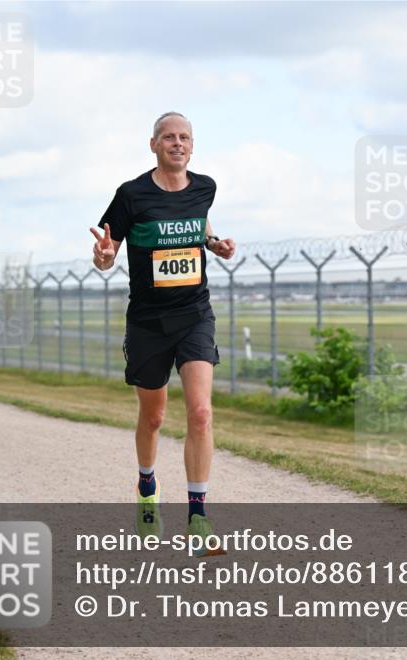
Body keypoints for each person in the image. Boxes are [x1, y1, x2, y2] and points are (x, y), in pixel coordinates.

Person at [89, 111, 235, 557]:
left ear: (193, 145)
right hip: (149, 322)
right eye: (169, 137)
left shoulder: (205, 187)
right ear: (153, 144)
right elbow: (108, 250)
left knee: (201, 413)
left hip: (195, 314)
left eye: (185, 137)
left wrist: (215, 245)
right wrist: (104, 257)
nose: (178, 143)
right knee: (153, 417)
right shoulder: (131, 195)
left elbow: (199, 224)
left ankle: (198, 515)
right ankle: (147, 489)